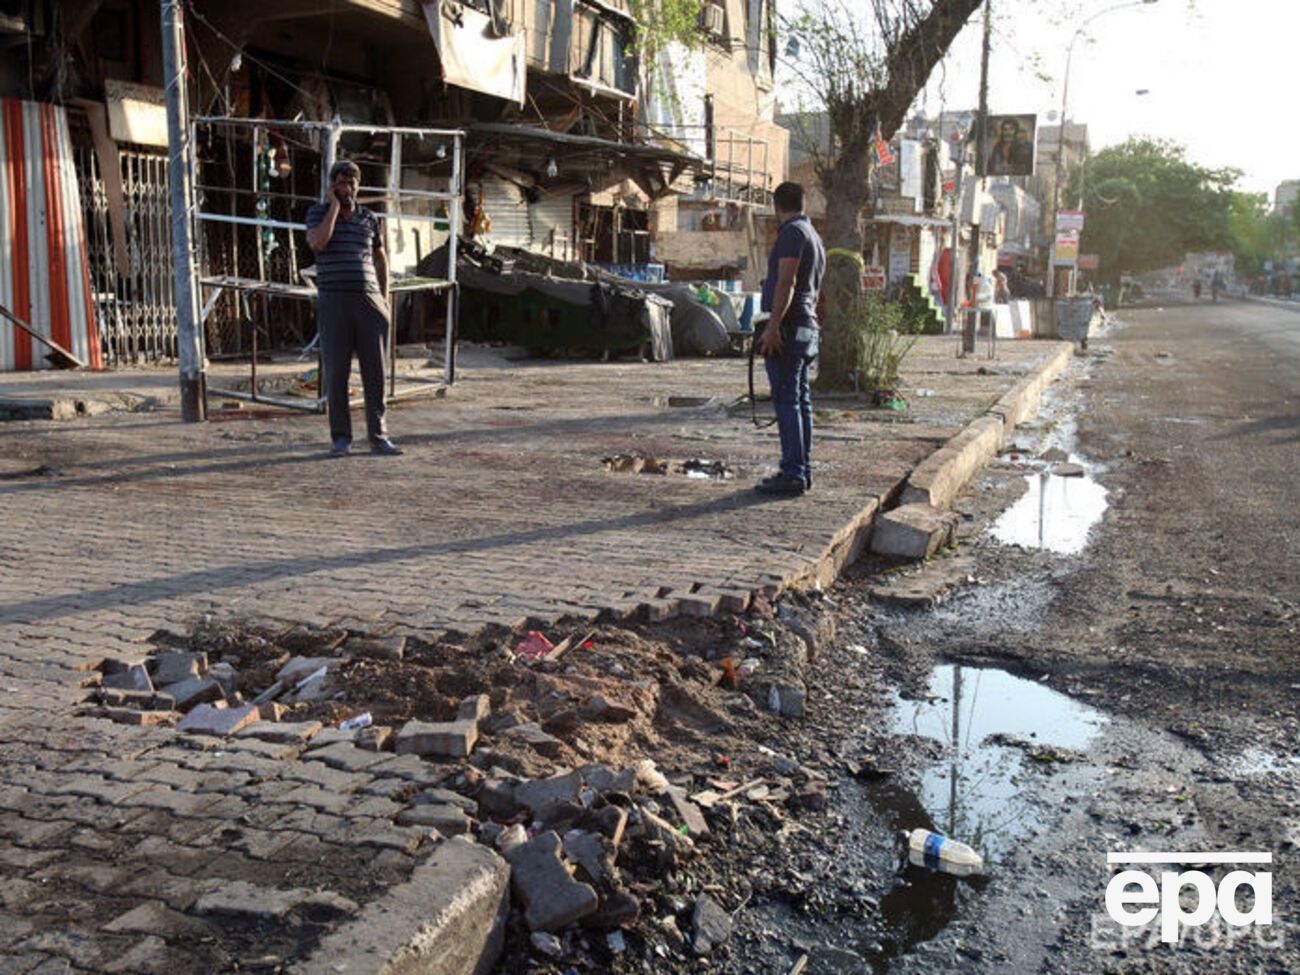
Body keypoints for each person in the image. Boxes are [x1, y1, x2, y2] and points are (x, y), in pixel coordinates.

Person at [305, 160, 402, 457]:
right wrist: (333, 207)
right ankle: (341, 438)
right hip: (334, 301)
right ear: (332, 185)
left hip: (368, 301)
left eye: (352, 183)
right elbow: (318, 243)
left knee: (375, 372)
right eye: (341, 182)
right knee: (337, 373)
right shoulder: (317, 213)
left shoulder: (369, 218)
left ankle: (378, 435)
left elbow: (381, 258)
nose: (348, 188)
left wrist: (383, 300)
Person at [756, 181, 826, 496]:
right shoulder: (813, 235)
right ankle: (801, 469)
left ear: (776, 206)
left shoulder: (791, 233)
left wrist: (772, 327)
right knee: (799, 400)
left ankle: (793, 472)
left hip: (789, 327)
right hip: (806, 324)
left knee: (787, 399)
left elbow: (787, 281)